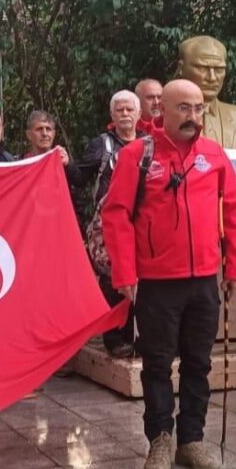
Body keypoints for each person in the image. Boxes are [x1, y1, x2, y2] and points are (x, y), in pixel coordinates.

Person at [102, 79, 236, 469]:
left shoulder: (214, 155)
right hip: (156, 282)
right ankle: (160, 439)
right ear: (160, 111)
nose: (193, 117)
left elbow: (234, 210)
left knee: (199, 363)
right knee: (157, 364)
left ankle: (192, 439)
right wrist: (125, 272)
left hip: (203, 280)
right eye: (184, 108)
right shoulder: (138, 155)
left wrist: (234, 266)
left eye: (199, 109)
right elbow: (115, 215)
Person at [74, 90, 148, 358]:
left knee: (146, 279)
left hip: (144, 221)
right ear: (112, 115)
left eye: (130, 109)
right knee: (113, 278)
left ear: (139, 114)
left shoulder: (150, 144)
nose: (125, 114)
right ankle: (116, 339)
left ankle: (144, 337)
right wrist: (58, 163)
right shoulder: (101, 145)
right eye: (120, 110)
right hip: (110, 222)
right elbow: (80, 177)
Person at [176, 36, 236, 148]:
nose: (212, 78)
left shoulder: (234, 114)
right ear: (181, 68)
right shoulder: (166, 115)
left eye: (219, 69)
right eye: (202, 68)